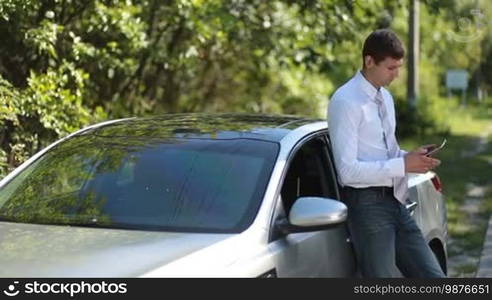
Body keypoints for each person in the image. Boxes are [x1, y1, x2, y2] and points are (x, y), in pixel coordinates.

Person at [327, 29, 446, 278]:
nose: (397, 74)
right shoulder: (346, 101)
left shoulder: (386, 98)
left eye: (399, 67)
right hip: (367, 206)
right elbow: (347, 171)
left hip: (395, 201)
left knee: (433, 277)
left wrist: (411, 156)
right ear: (369, 61)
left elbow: (385, 153)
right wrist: (403, 165)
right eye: (391, 68)